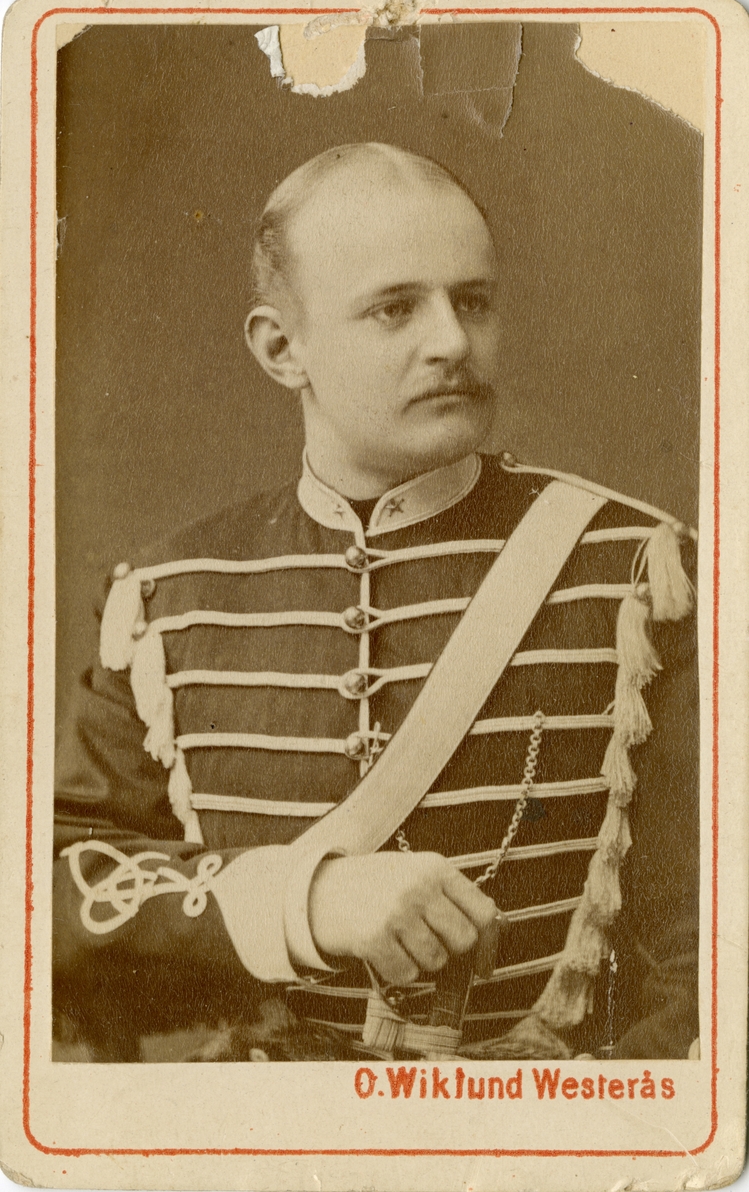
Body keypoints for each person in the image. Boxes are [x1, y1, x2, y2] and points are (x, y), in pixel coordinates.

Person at [53, 142, 699, 1063]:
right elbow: (56, 891)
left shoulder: (635, 569)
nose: (452, 342)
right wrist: (306, 902)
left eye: (471, 301)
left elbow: (703, 946)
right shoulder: (169, 598)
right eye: (395, 307)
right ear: (283, 349)